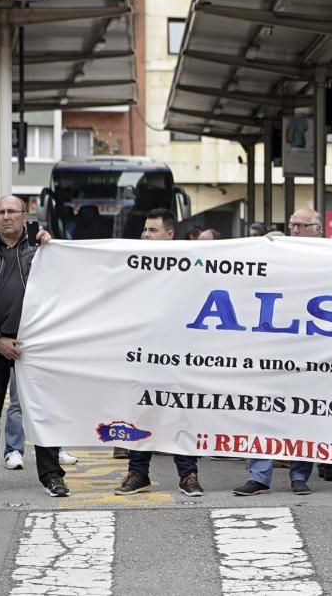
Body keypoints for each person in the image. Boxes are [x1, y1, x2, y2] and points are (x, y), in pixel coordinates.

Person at [231, 208, 327, 497]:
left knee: (304, 412)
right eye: (292, 225)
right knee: (263, 412)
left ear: (318, 229)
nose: (295, 230)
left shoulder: (330, 256)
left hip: (311, 349)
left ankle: (300, 475)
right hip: (272, 349)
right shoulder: (274, 251)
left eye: (302, 225)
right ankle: (259, 475)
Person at [0, 196, 68, 496]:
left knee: (43, 412)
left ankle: (52, 476)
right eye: (0, 212)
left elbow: (62, 289)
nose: (6, 217)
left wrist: (51, 245)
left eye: (12, 212)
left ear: (24, 216)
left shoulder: (42, 250)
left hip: (35, 347)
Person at [116, 208, 203, 497]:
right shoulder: (134, 265)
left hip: (180, 354)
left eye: (152, 230)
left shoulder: (190, 264)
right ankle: (138, 473)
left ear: (170, 233)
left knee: (181, 413)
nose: (146, 235)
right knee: (141, 412)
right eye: (145, 230)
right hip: (143, 353)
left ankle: (188, 474)